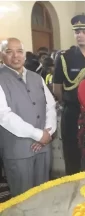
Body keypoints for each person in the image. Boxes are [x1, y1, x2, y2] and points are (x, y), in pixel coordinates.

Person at [0, 38, 56, 196]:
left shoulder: (36, 77)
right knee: (23, 198)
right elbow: (4, 115)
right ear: (1, 55)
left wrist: (47, 133)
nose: (15, 56)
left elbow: (50, 105)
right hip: (18, 150)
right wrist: (38, 135)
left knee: (43, 193)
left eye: (19, 51)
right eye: (9, 52)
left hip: (43, 147)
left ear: (25, 54)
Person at [53, 14, 85, 175]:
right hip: (73, 112)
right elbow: (57, 88)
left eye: (84, 31)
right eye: (77, 32)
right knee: (72, 154)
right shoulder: (65, 57)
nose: (80, 35)